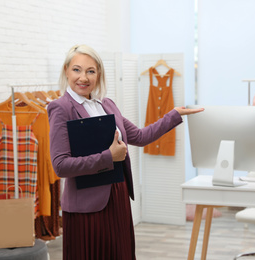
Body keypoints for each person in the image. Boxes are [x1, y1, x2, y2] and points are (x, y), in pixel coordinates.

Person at [48, 44, 204, 260]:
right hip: (87, 206)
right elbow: (61, 165)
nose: (83, 77)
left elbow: (140, 136)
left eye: (90, 71)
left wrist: (174, 115)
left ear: (99, 74)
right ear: (66, 70)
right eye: (77, 69)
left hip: (117, 196)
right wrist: (108, 157)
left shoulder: (107, 105)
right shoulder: (61, 108)